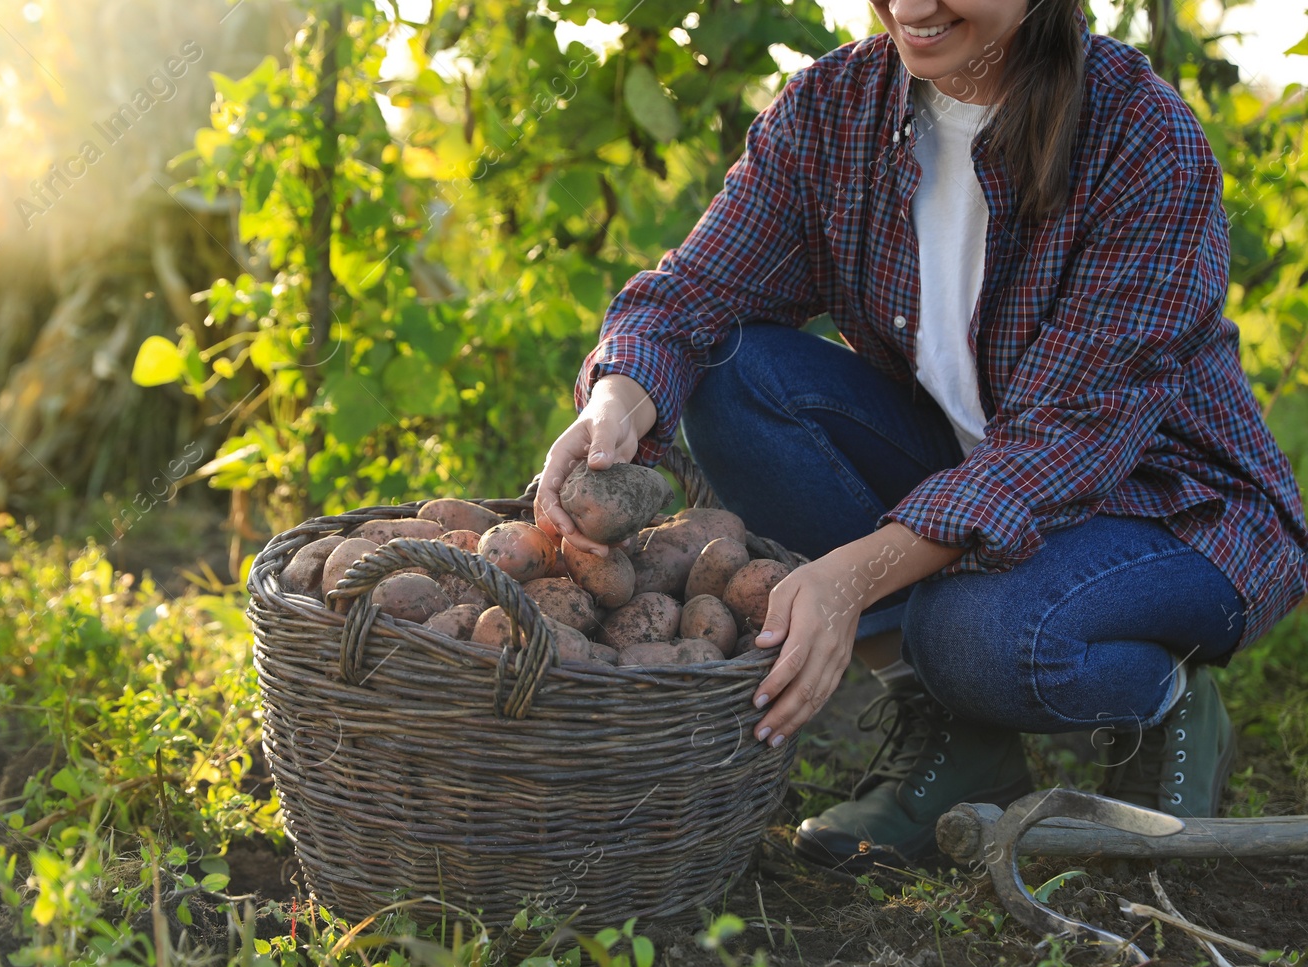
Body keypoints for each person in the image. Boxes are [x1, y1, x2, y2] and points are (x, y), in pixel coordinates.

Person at [532, 0, 1308, 873]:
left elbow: (1064, 440)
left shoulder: (1141, 137)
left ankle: (1165, 700)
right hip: (977, 476)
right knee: (735, 373)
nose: (912, 6)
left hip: (1176, 511)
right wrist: (617, 403)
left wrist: (851, 576)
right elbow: (693, 297)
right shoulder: (836, 108)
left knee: (971, 635)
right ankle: (955, 735)